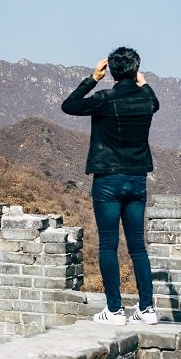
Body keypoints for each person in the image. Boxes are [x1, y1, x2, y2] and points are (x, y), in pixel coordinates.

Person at [61, 46, 159, 326]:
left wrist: (92, 78)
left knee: (108, 245)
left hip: (107, 181)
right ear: (135, 70)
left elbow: (69, 105)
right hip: (137, 179)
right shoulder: (146, 100)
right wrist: (143, 81)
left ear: (112, 71)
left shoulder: (104, 99)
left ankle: (115, 310)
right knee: (138, 247)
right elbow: (154, 100)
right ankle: (147, 309)